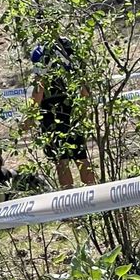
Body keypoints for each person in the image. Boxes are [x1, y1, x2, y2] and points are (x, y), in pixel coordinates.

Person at [27, 35, 96, 189]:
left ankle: (69, 205)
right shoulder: (69, 44)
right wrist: (84, 108)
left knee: (61, 160)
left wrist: (30, 117)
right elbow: (82, 81)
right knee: (81, 156)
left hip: (51, 111)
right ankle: (97, 202)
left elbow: (39, 86)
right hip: (73, 107)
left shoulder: (40, 51)